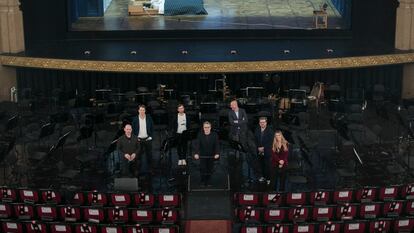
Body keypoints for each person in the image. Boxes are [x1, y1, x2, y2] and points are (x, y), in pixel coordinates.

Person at [193, 121, 220, 186]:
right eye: (205, 127)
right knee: (203, 168)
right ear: (203, 128)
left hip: (212, 155)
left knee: (210, 168)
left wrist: (217, 153)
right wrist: (196, 153)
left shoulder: (215, 135)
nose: (206, 128)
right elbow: (197, 145)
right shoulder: (200, 134)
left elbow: (217, 145)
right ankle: (203, 180)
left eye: (208, 127)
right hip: (203, 155)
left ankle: (208, 181)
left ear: (210, 127)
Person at [132, 105, 154, 174]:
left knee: (149, 155)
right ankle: (137, 170)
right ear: (138, 111)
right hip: (138, 140)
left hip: (147, 139)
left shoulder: (149, 118)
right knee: (138, 156)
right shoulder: (135, 119)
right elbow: (133, 130)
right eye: (140, 110)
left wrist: (151, 137)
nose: (142, 111)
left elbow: (152, 128)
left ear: (145, 111)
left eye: (143, 110)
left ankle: (150, 169)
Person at [254, 117, 274, 184]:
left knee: (267, 166)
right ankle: (262, 177)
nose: (262, 123)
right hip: (259, 151)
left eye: (263, 122)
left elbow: (271, 142)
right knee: (260, 165)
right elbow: (255, 140)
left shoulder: (270, 131)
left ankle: (268, 178)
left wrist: (263, 148)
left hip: (267, 151)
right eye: (261, 122)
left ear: (266, 123)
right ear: (259, 123)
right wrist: (258, 147)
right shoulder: (257, 130)